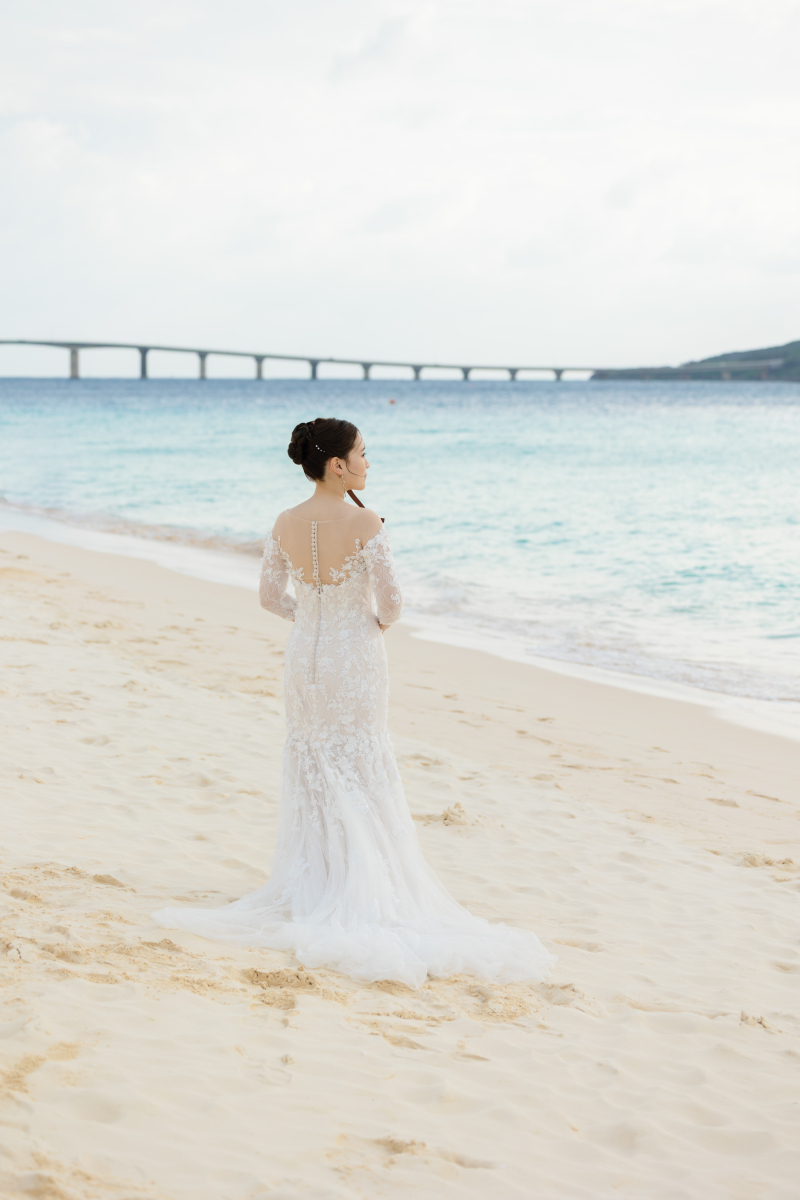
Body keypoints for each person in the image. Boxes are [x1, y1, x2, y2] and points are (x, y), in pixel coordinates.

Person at [154, 418, 554, 988]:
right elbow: (392, 604)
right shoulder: (365, 520)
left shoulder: (285, 521)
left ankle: (316, 881)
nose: (369, 463)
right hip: (355, 662)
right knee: (361, 764)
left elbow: (271, 597)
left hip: (304, 661)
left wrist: (313, 618)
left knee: (314, 761)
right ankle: (363, 889)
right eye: (363, 454)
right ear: (337, 464)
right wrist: (361, 623)